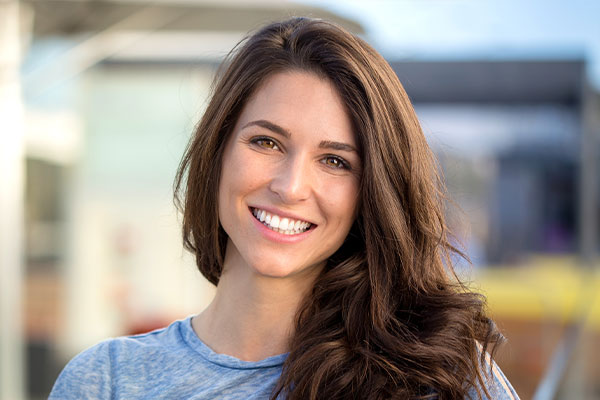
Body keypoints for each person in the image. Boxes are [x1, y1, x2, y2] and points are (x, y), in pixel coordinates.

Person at [50, 17, 519, 399]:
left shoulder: (440, 380)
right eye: (267, 142)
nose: (291, 186)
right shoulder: (107, 381)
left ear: (371, 192)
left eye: (335, 161)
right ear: (217, 151)